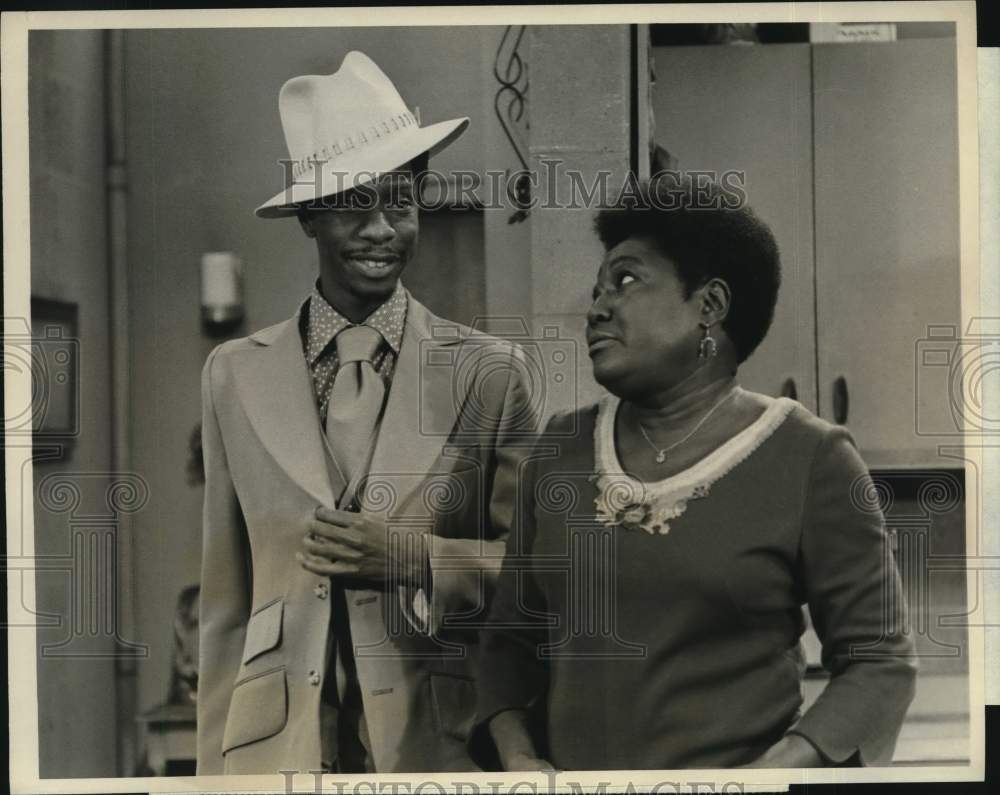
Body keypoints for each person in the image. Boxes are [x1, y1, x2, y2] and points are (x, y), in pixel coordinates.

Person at [473, 177, 917, 770]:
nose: (597, 306)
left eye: (626, 281)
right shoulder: (560, 448)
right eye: (598, 288)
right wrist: (519, 757)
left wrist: (770, 777)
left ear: (709, 306)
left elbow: (878, 661)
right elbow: (508, 642)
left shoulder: (811, 458)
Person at [197, 51, 536, 775]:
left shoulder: (490, 373)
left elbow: (539, 573)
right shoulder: (234, 374)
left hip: (435, 741)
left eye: (401, 202)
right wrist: (212, 774)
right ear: (309, 217)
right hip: (278, 749)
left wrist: (413, 557)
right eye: (355, 204)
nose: (382, 228)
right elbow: (226, 604)